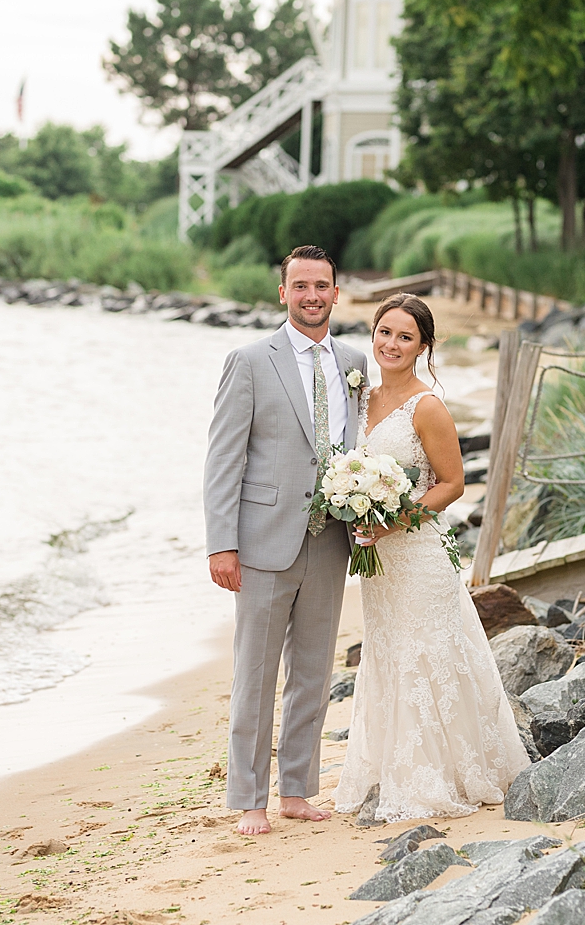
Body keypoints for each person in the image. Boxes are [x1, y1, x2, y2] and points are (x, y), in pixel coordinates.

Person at [333, 293, 530, 823]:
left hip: (417, 555)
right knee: (389, 654)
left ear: (423, 346)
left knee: (429, 656)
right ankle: (391, 770)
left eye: (405, 337)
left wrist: (391, 520)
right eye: (384, 332)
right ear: (372, 335)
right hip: (379, 564)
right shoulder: (359, 400)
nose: (391, 344)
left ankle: (442, 775)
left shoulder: (427, 406)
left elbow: (453, 484)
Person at [203, 245, 371, 836]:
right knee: (255, 674)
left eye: (322, 286)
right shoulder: (249, 360)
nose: (312, 296)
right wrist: (221, 543)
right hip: (262, 542)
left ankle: (297, 789)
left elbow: (361, 447)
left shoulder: (354, 361)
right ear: (283, 293)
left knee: (313, 673)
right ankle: (249, 798)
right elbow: (224, 458)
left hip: (331, 541)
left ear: (336, 292)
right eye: (300, 286)